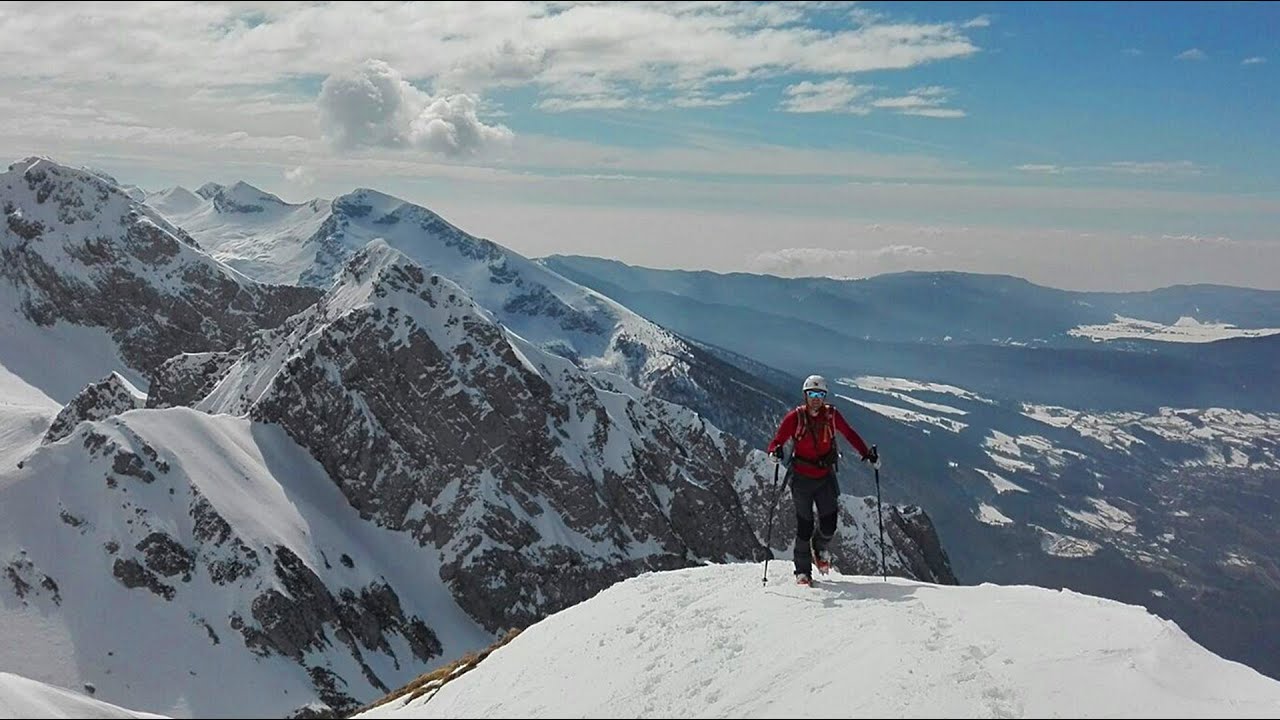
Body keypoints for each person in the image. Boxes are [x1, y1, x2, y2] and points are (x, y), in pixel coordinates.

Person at [766, 374, 879, 586]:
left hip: (824, 477)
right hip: (801, 478)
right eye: (812, 394)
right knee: (804, 526)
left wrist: (866, 454)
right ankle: (802, 571)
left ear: (824, 396)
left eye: (819, 394)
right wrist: (774, 452)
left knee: (829, 523)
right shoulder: (795, 418)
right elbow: (776, 441)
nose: (816, 398)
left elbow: (849, 434)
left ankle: (818, 547)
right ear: (805, 396)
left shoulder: (832, 416)